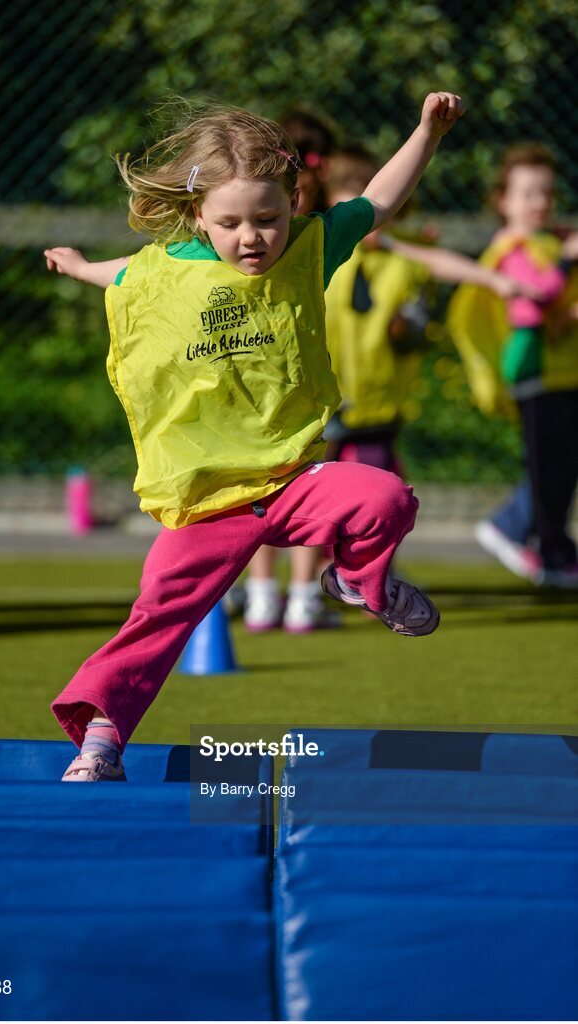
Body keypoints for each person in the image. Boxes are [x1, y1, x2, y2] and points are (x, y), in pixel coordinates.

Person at [44, 93, 464, 782]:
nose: (252, 238)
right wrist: (79, 266)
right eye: (231, 223)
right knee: (157, 617)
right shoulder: (163, 272)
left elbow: (380, 202)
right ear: (197, 216)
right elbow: (122, 274)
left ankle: (360, 584)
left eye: (268, 219)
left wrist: (426, 132)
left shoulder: (309, 250)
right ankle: (101, 742)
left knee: (385, 497)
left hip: (292, 478)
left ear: (293, 204)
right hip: (209, 497)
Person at [323, 146, 529, 490]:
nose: (361, 226)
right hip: (325, 400)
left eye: (369, 214)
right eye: (350, 214)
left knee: (377, 496)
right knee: (310, 500)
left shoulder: (399, 255)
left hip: (377, 405)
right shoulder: (322, 251)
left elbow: (435, 261)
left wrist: (492, 279)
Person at [448, 144, 578, 587]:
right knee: (548, 466)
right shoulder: (512, 248)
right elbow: (536, 298)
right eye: (528, 194)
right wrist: (566, 259)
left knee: (563, 464)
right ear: (502, 200)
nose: (539, 202)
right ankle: (526, 536)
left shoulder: (546, 241)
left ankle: (550, 545)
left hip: (562, 370)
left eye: (546, 193)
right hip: (535, 371)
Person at [242, 105, 339, 633]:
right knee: (268, 493)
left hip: (306, 391)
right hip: (261, 395)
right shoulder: (237, 246)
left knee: (300, 492)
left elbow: (381, 205)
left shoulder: (315, 240)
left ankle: (295, 594)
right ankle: (272, 593)